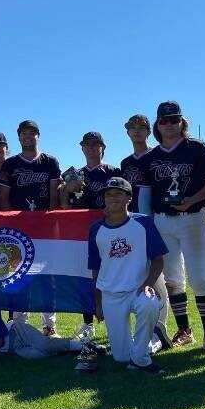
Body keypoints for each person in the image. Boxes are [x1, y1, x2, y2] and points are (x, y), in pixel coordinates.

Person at [138, 101, 205, 352]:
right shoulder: (150, 157)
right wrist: (145, 224)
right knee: (173, 279)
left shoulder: (196, 148)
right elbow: (145, 194)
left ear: (182, 122)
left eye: (174, 119)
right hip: (163, 220)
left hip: (193, 217)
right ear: (157, 125)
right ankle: (184, 329)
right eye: (164, 120)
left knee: (200, 277)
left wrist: (194, 199)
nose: (170, 124)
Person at [88, 177, 168, 374]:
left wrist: (149, 283)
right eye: (108, 194)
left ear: (128, 198)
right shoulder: (96, 229)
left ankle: (141, 360)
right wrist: (98, 302)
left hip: (139, 289)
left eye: (118, 193)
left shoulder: (143, 222)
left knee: (149, 304)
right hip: (111, 293)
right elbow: (95, 269)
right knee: (121, 357)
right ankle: (155, 340)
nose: (112, 197)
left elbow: (158, 258)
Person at [0, 119, 61, 336]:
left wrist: (50, 221)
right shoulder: (10, 164)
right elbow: (3, 198)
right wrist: (10, 222)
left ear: (37, 135)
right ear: (19, 136)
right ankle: (19, 323)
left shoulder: (49, 162)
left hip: (43, 227)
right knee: (17, 274)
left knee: (46, 275)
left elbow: (54, 196)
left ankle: (49, 324)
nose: (28, 137)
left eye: (32, 133)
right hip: (18, 229)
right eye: (24, 133)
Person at [59, 131, 120, 338]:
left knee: (112, 274)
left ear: (103, 148)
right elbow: (64, 207)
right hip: (83, 233)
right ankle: (87, 323)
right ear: (82, 148)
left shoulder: (113, 172)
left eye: (96, 144)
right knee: (85, 275)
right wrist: (65, 190)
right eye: (87, 144)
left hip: (109, 230)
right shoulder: (74, 174)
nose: (92, 148)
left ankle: (113, 319)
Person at [120, 114, 173, 350]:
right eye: (133, 128)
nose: (138, 131)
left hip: (157, 221)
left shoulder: (156, 156)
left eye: (142, 127)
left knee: (159, 274)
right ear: (127, 132)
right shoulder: (126, 163)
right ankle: (144, 326)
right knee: (135, 273)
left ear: (148, 131)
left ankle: (159, 325)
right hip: (132, 226)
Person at [0, 289, 101, 363]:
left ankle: (85, 345)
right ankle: (70, 348)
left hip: (16, 332)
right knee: (38, 356)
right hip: (12, 349)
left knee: (44, 344)